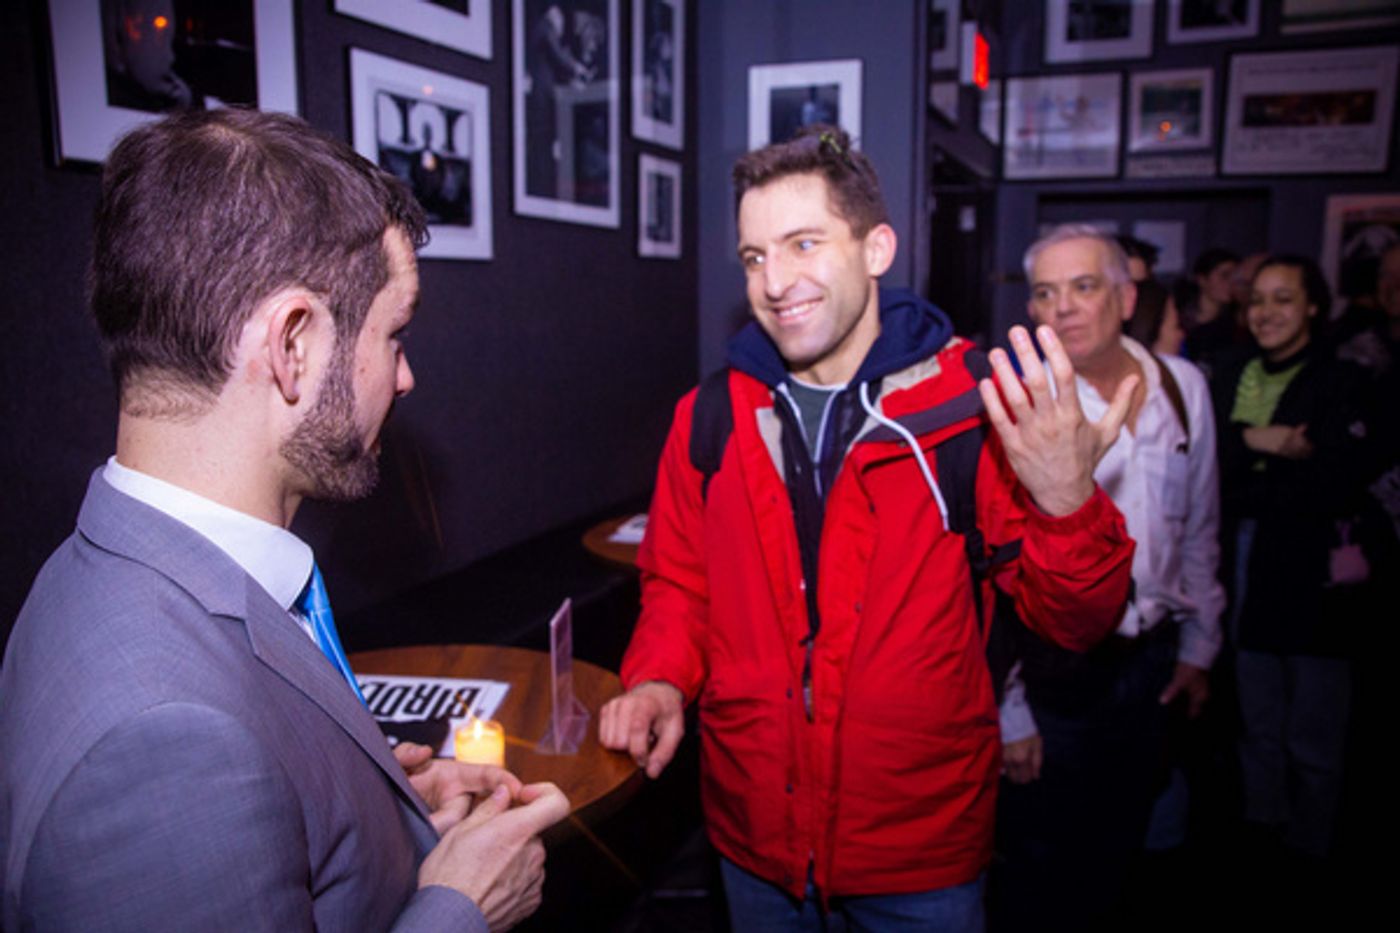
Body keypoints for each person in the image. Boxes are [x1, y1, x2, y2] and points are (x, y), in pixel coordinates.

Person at [0, 108, 568, 932]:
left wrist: (388, 814)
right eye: (394, 334)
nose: (404, 377)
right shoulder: (164, 743)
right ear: (293, 344)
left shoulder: (103, 565)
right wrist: (462, 907)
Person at [598, 125, 1137, 930]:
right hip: (755, 836)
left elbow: (1076, 625)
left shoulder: (973, 405)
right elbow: (680, 578)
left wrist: (1066, 504)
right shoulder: (711, 413)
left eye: (803, 243)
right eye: (753, 256)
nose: (775, 281)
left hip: (918, 847)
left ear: (876, 247)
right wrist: (661, 676)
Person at [993, 226, 1225, 932]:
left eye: (1083, 286)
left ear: (1126, 297)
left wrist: (1199, 646)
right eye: (1044, 292)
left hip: (1151, 656)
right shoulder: (1021, 404)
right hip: (1056, 669)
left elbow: (1201, 522)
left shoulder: (1181, 387)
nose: (1062, 307)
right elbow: (999, 571)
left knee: (1126, 834)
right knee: (1042, 852)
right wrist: (1012, 710)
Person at [1213, 255, 1373, 861]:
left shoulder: (1342, 381)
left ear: (1312, 306)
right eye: (1257, 299)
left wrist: (1244, 464)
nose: (1266, 313)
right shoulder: (1230, 372)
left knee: (1314, 731)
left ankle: (1311, 852)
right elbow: (1207, 460)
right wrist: (1261, 441)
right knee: (1255, 719)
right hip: (1239, 563)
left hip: (1310, 576)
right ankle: (1262, 836)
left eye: (1283, 299)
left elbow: (1334, 480)